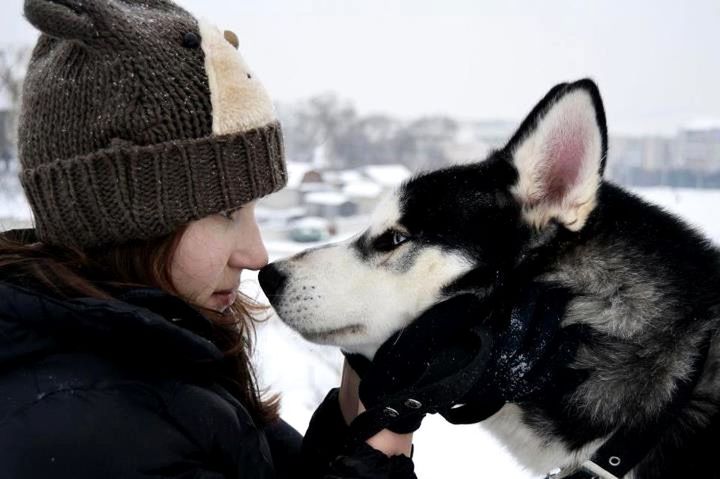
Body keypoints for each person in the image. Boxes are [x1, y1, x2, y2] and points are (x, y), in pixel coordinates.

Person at [0, 0, 415, 477]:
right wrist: (381, 459)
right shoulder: (85, 428)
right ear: (125, 220)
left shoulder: (157, 363)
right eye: (226, 211)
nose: (257, 253)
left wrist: (363, 395)